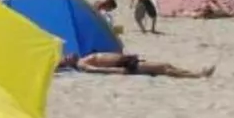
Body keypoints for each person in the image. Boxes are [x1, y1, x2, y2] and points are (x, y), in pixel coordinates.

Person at [61, 53, 215, 78]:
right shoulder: (82, 64)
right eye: (66, 58)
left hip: (127, 60)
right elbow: (98, 69)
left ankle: (194, 73)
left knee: (165, 65)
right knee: (164, 69)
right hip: (125, 65)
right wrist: (118, 71)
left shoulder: (83, 57)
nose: (68, 55)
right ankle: (197, 75)